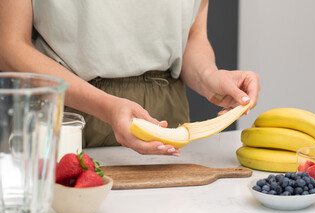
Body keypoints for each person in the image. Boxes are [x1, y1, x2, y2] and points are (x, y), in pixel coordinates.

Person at [0, 0, 260, 156]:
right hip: (68, 120)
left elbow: (191, 37)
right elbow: (10, 46)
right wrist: (105, 106)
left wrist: (210, 77)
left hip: (165, 121)